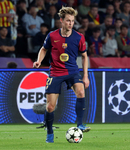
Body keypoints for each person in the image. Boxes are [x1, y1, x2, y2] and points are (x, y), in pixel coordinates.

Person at [33, 6, 90, 143]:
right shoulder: (52, 36)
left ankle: (80, 124)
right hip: (56, 72)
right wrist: (38, 61)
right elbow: (43, 49)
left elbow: (84, 56)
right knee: (50, 106)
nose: (70, 23)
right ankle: (50, 132)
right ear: (61, 21)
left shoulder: (79, 37)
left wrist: (85, 76)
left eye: (72, 21)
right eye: (68, 21)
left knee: (81, 92)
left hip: (72, 71)